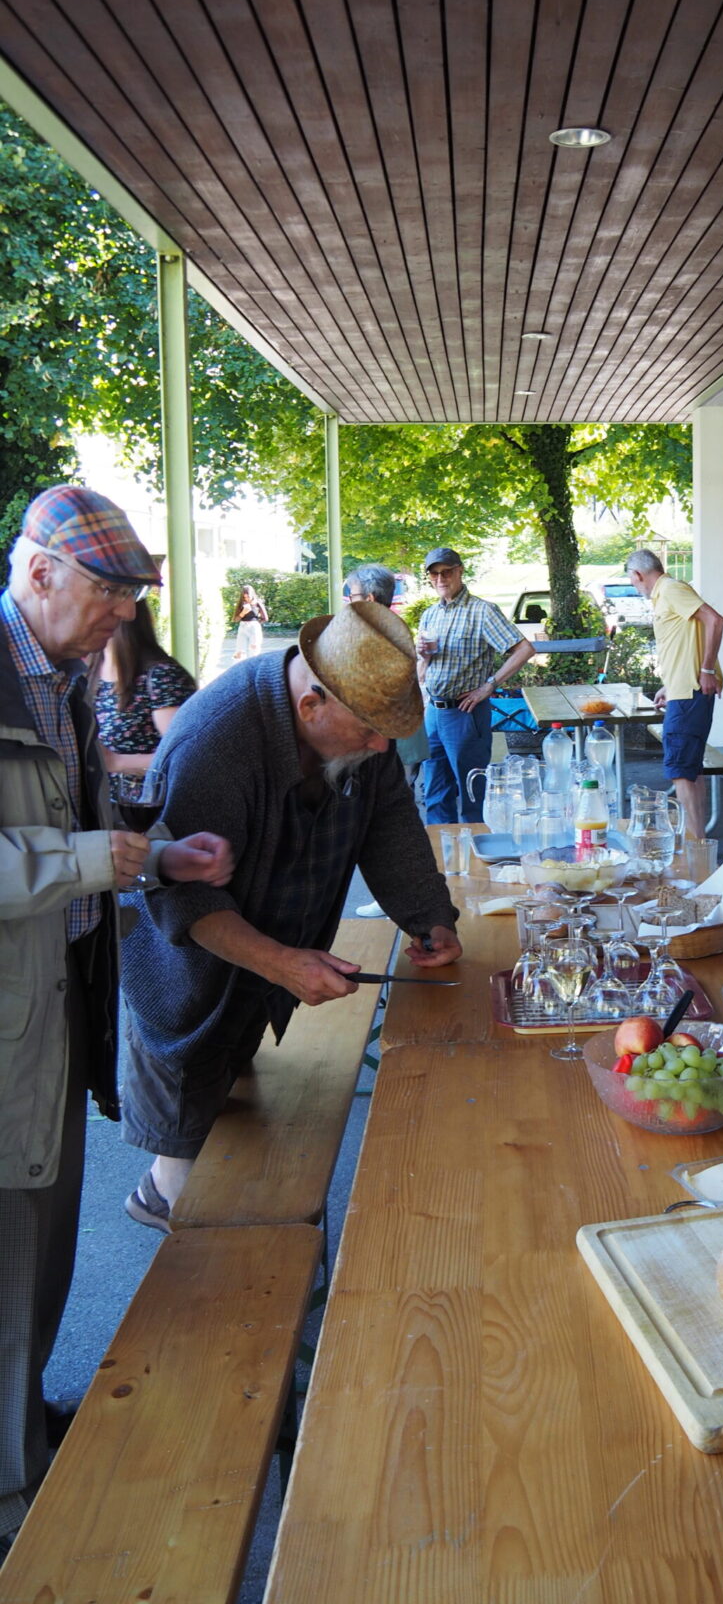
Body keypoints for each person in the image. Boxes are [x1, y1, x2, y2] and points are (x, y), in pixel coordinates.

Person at [0, 485, 232, 1544]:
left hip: (57, 1012)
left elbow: (87, 819)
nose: (122, 619)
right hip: (11, 1027)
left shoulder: (62, 676)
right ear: (39, 570)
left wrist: (156, 853)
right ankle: (13, 1501)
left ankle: (22, 1427)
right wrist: (100, 858)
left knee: (44, 1246)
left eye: (132, 599)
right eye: (110, 594)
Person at [119, 601, 462, 1227]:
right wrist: (281, 963)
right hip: (188, 974)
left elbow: (390, 826)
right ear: (312, 706)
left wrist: (429, 916)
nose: (382, 746)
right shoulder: (213, 742)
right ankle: (163, 1203)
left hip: (273, 954)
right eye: (368, 733)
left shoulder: (357, 717)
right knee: (191, 1164)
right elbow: (183, 897)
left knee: (239, 1123)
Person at [415, 548, 533, 824]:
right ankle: (440, 861)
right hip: (434, 711)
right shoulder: (430, 615)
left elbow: (525, 649)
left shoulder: (482, 611)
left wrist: (489, 686)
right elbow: (423, 671)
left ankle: (476, 862)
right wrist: (424, 657)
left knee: (472, 795)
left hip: (465, 713)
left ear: (459, 571)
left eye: (447, 572)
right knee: (434, 793)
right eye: (435, 573)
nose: (441, 578)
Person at [341, 563, 432, 919]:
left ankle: (397, 898)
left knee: (390, 819)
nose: (348, 602)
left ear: (372, 598)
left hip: (392, 740)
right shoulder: (390, 629)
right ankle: (401, 897)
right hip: (398, 737)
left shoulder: (375, 631)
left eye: (353, 595)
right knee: (395, 814)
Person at [625, 550, 723, 840]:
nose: (635, 586)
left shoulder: (670, 590)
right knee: (690, 768)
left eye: (633, 582)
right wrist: (670, 684)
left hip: (689, 695)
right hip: (682, 691)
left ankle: (696, 845)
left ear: (638, 575)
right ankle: (698, 842)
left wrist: (706, 670)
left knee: (681, 770)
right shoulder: (667, 593)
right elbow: (685, 641)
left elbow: (715, 621)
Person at [92, 599, 198, 780]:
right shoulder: (89, 671)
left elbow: (188, 755)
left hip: (145, 805)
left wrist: (116, 762)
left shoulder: (163, 676)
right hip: (101, 805)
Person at [232, 582, 267, 660]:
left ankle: (253, 668)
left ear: (252, 595)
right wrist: (243, 613)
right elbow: (235, 619)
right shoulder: (241, 604)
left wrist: (255, 622)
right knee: (240, 651)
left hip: (254, 627)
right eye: (244, 597)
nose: (246, 599)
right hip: (243, 627)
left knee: (254, 650)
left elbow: (265, 618)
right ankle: (241, 669)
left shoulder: (257, 603)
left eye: (248, 597)